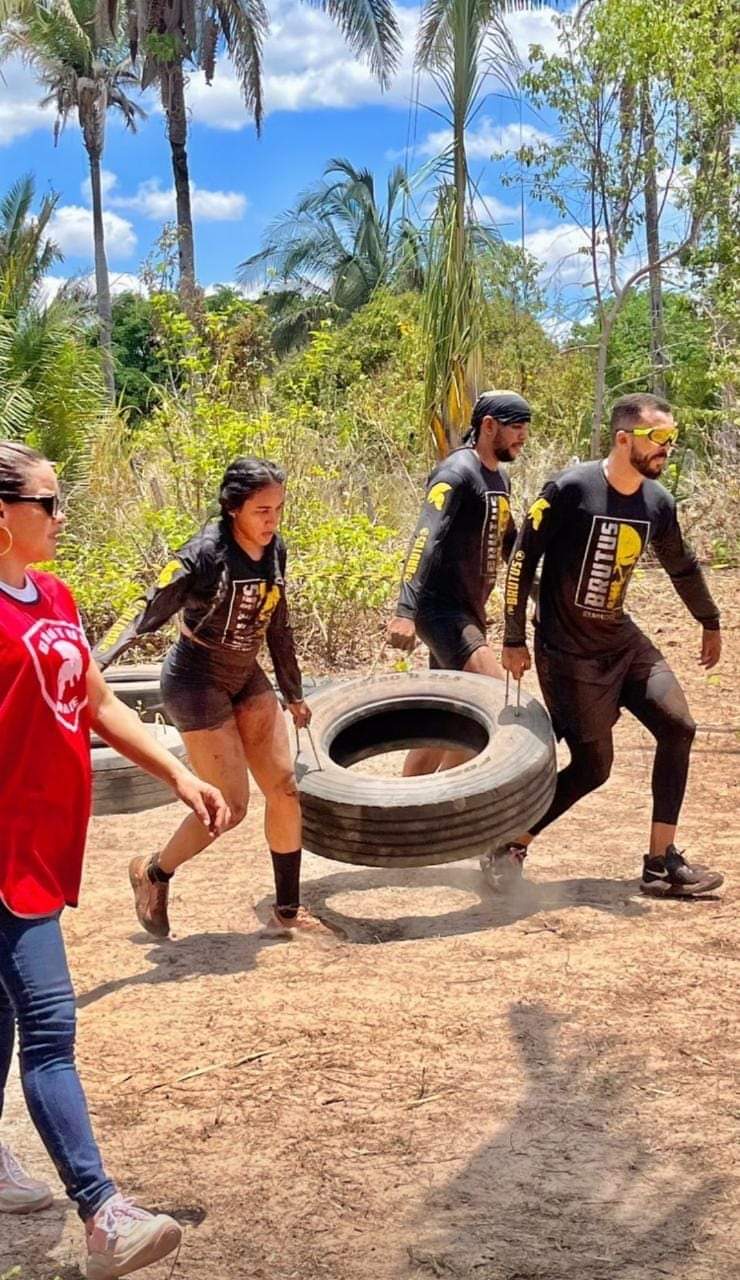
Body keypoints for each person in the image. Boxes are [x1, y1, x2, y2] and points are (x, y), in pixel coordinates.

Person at [0, 441, 230, 1275]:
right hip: (0, 851)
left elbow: (92, 700)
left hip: (40, 841)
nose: (62, 517)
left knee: (2, 1014)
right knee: (51, 1025)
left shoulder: (51, 594)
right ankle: (103, 1213)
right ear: (1, 513)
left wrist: (176, 770)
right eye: (47, 503)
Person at [493, 392, 724, 897]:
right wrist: (513, 635)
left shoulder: (657, 503)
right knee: (595, 768)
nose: (667, 447)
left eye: (672, 438)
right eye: (657, 437)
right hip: (567, 652)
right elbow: (521, 561)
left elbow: (681, 564)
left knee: (679, 727)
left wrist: (710, 620)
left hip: (623, 642)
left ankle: (661, 864)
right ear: (624, 439)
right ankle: (510, 843)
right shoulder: (570, 489)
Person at [94, 456, 332, 941]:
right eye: (262, 511)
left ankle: (287, 912)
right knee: (230, 806)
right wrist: (90, 667)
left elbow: (277, 622)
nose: (272, 521)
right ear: (233, 509)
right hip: (195, 681)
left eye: (279, 509)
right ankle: (154, 873)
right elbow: (144, 615)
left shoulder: (274, 549)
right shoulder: (202, 555)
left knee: (285, 788)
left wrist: (293, 692)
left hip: (246, 675)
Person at [387, 391, 530, 796]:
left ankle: (404, 810)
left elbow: (510, 544)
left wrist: (542, 597)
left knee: (444, 724)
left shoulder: (498, 478)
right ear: (489, 426)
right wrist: (405, 610)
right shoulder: (456, 472)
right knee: (501, 703)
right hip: (441, 612)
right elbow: (424, 539)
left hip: (469, 611)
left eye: (524, 428)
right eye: (516, 427)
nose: (522, 436)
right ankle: (451, 802)